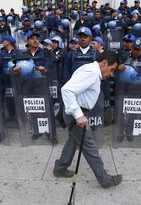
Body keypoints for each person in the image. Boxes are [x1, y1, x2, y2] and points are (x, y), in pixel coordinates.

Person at [53, 51, 122, 188]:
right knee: (90, 147)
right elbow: (67, 90)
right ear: (104, 63)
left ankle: (60, 167)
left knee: (73, 141)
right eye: (112, 69)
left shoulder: (89, 69)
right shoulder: (91, 72)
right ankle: (105, 179)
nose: (112, 73)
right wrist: (79, 115)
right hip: (76, 115)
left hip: (75, 113)